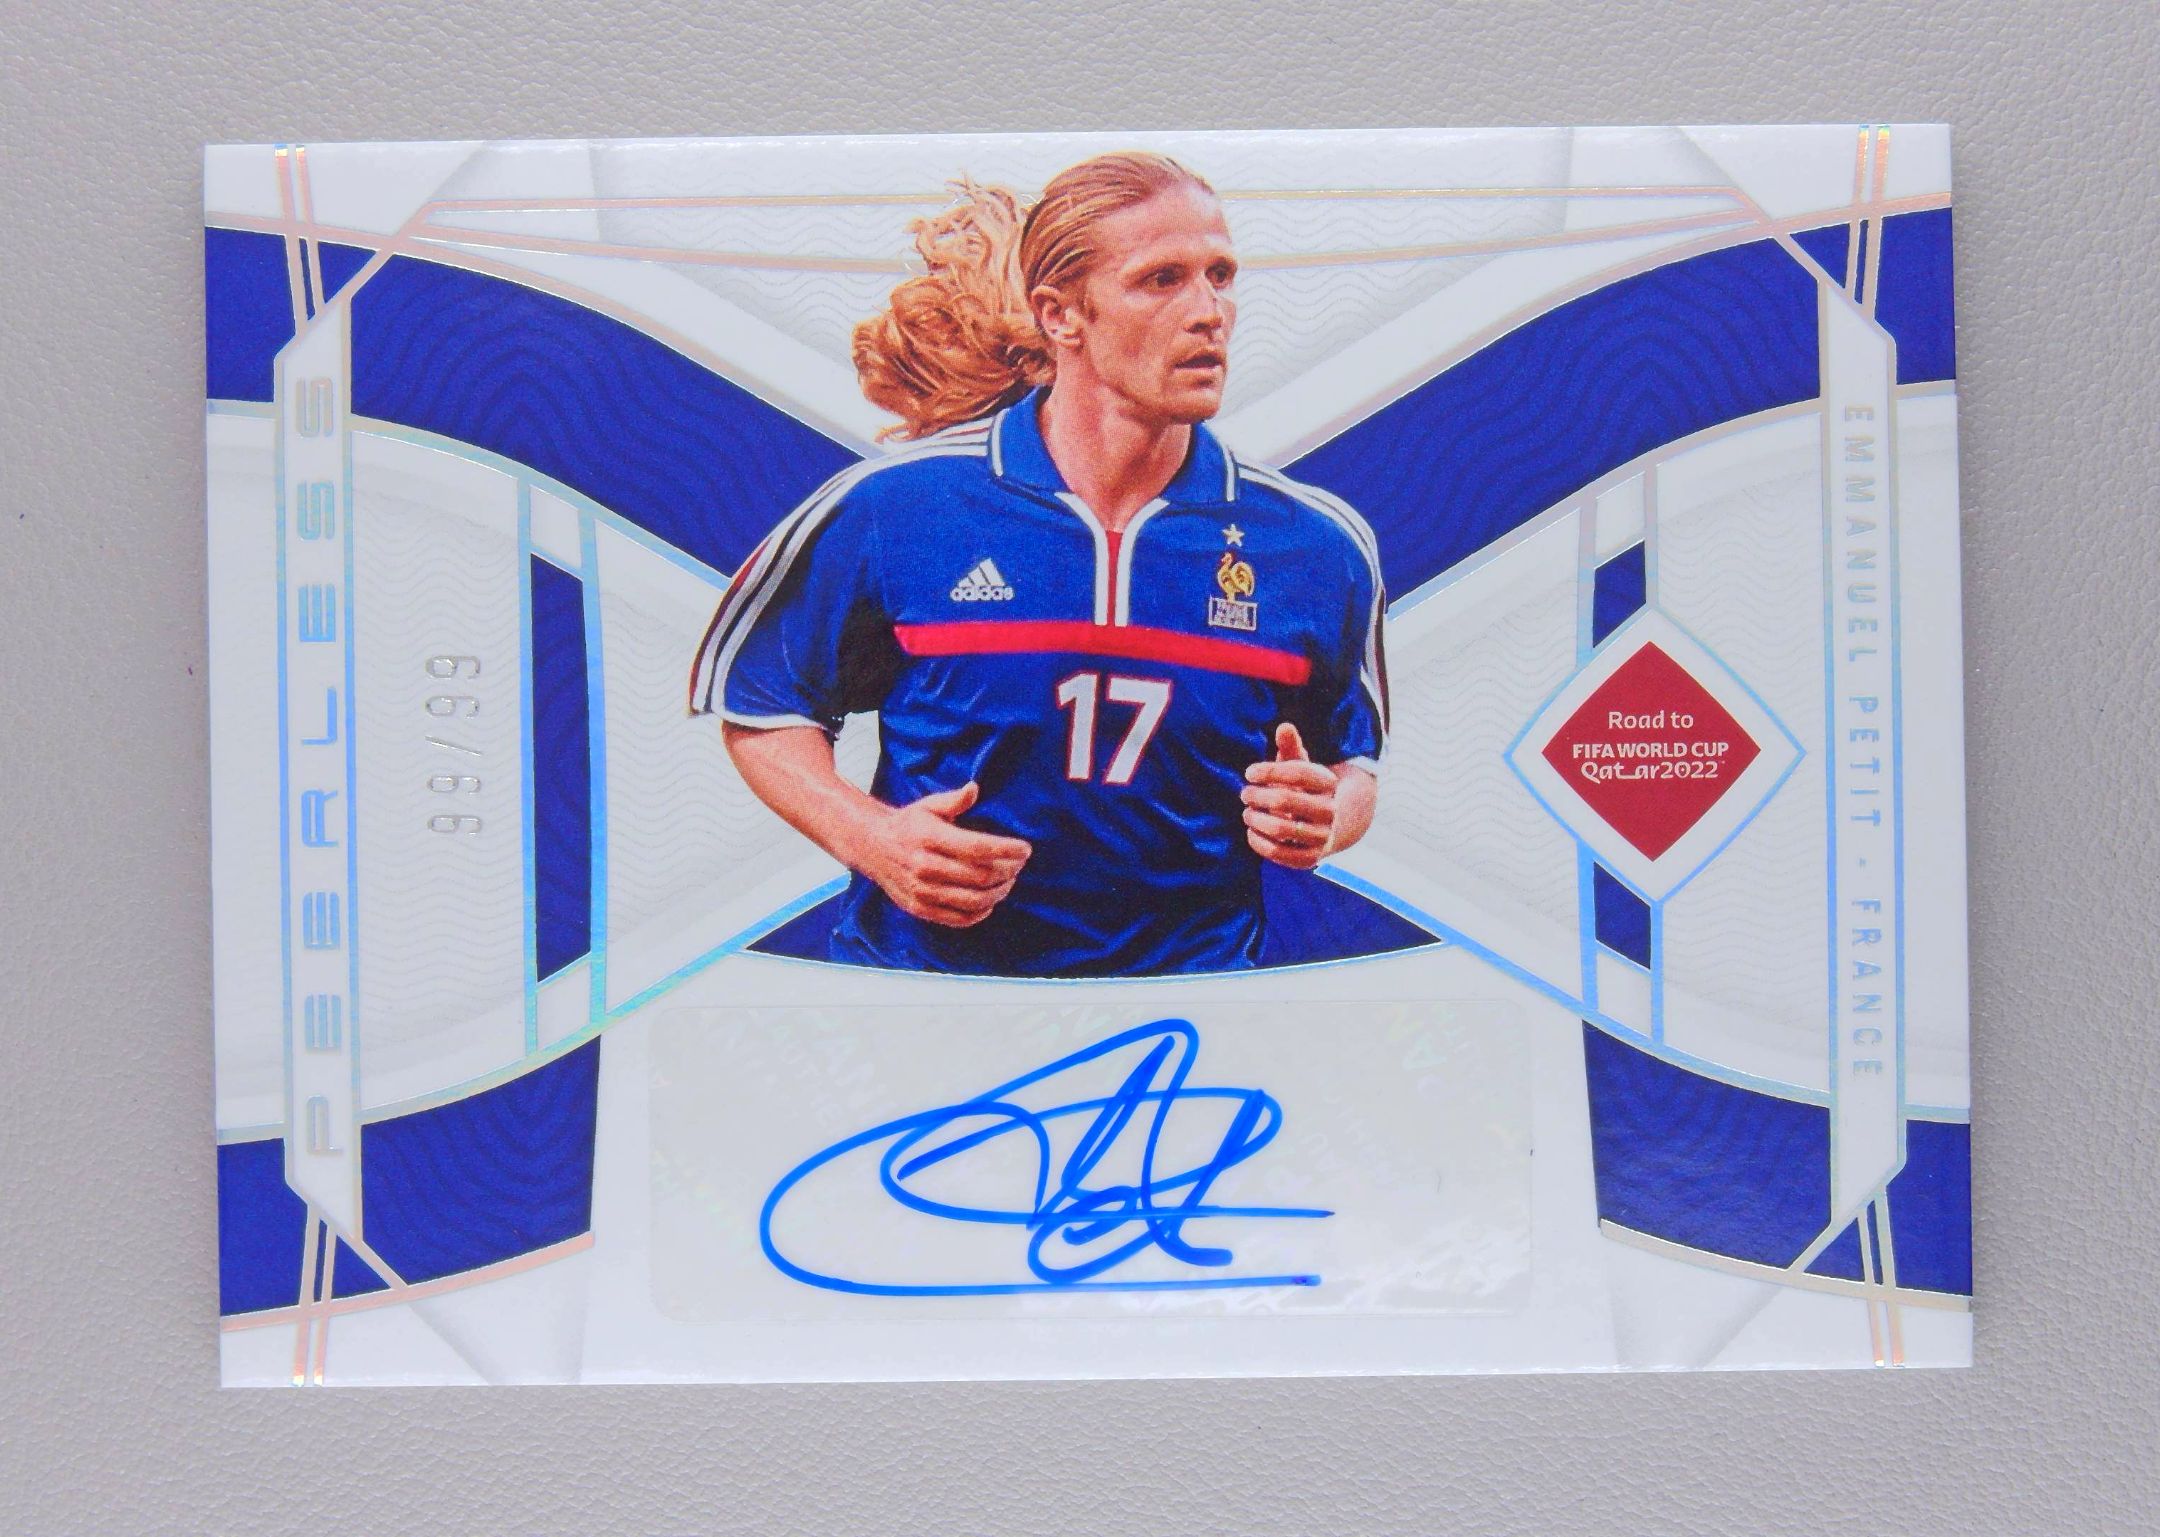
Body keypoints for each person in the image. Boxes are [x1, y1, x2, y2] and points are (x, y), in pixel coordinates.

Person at [689, 152, 1386, 977]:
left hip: (1193, 1013)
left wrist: (1325, 816)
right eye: (1161, 279)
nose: (1209, 313)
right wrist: (873, 838)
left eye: (1221, 275)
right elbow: (762, 704)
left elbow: (1353, 768)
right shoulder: (898, 506)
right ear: (1061, 316)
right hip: (927, 999)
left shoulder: (1315, 547)